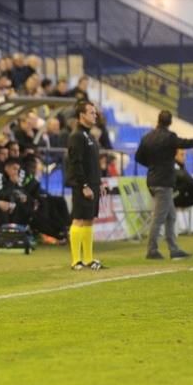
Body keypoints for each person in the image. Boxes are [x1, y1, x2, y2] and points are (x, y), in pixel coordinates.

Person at [134, 110, 193, 260]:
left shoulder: (147, 137)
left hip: (152, 180)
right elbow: (189, 143)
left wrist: (153, 166)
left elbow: (138, 157)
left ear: (158, 120)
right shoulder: (169, 138)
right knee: (159, 217)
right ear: (170, 122)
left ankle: (174, 249)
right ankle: (152, 250)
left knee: (170, 216)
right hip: (164, 182)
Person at [66, 101, 104, 270]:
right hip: (83, 185)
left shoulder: (90, 136)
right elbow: (76, 163)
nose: (95, 115)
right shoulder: (77, 136)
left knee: (89, 220)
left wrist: (98, 182)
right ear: (82, 115)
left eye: (95, 113)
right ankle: (76, 261)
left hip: (93, 184)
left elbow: (92, 163)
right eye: (91, 113)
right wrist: (84, 185)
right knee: (79, 219)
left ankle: (88, 259)